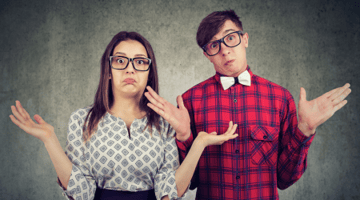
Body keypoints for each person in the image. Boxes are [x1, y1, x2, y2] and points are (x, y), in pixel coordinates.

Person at [144, 10, 352, 200]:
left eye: (230, 38)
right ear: (206, 55)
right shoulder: (189, 101)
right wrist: (184, 136)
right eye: (214, 45)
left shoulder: (280, 98)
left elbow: (285, 180)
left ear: (245, 40)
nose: (224, 50)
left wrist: (304, 131)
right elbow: (191, 182)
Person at [9, 31, 239, 200]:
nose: (130, 69)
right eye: (120, 61)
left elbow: (170, 192)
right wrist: (50, 139)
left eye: (140, 62)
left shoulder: (164, 123)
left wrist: (198, 142)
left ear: (149, 73)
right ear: (108, 70)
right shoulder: (82, 120)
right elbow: (82, 193)